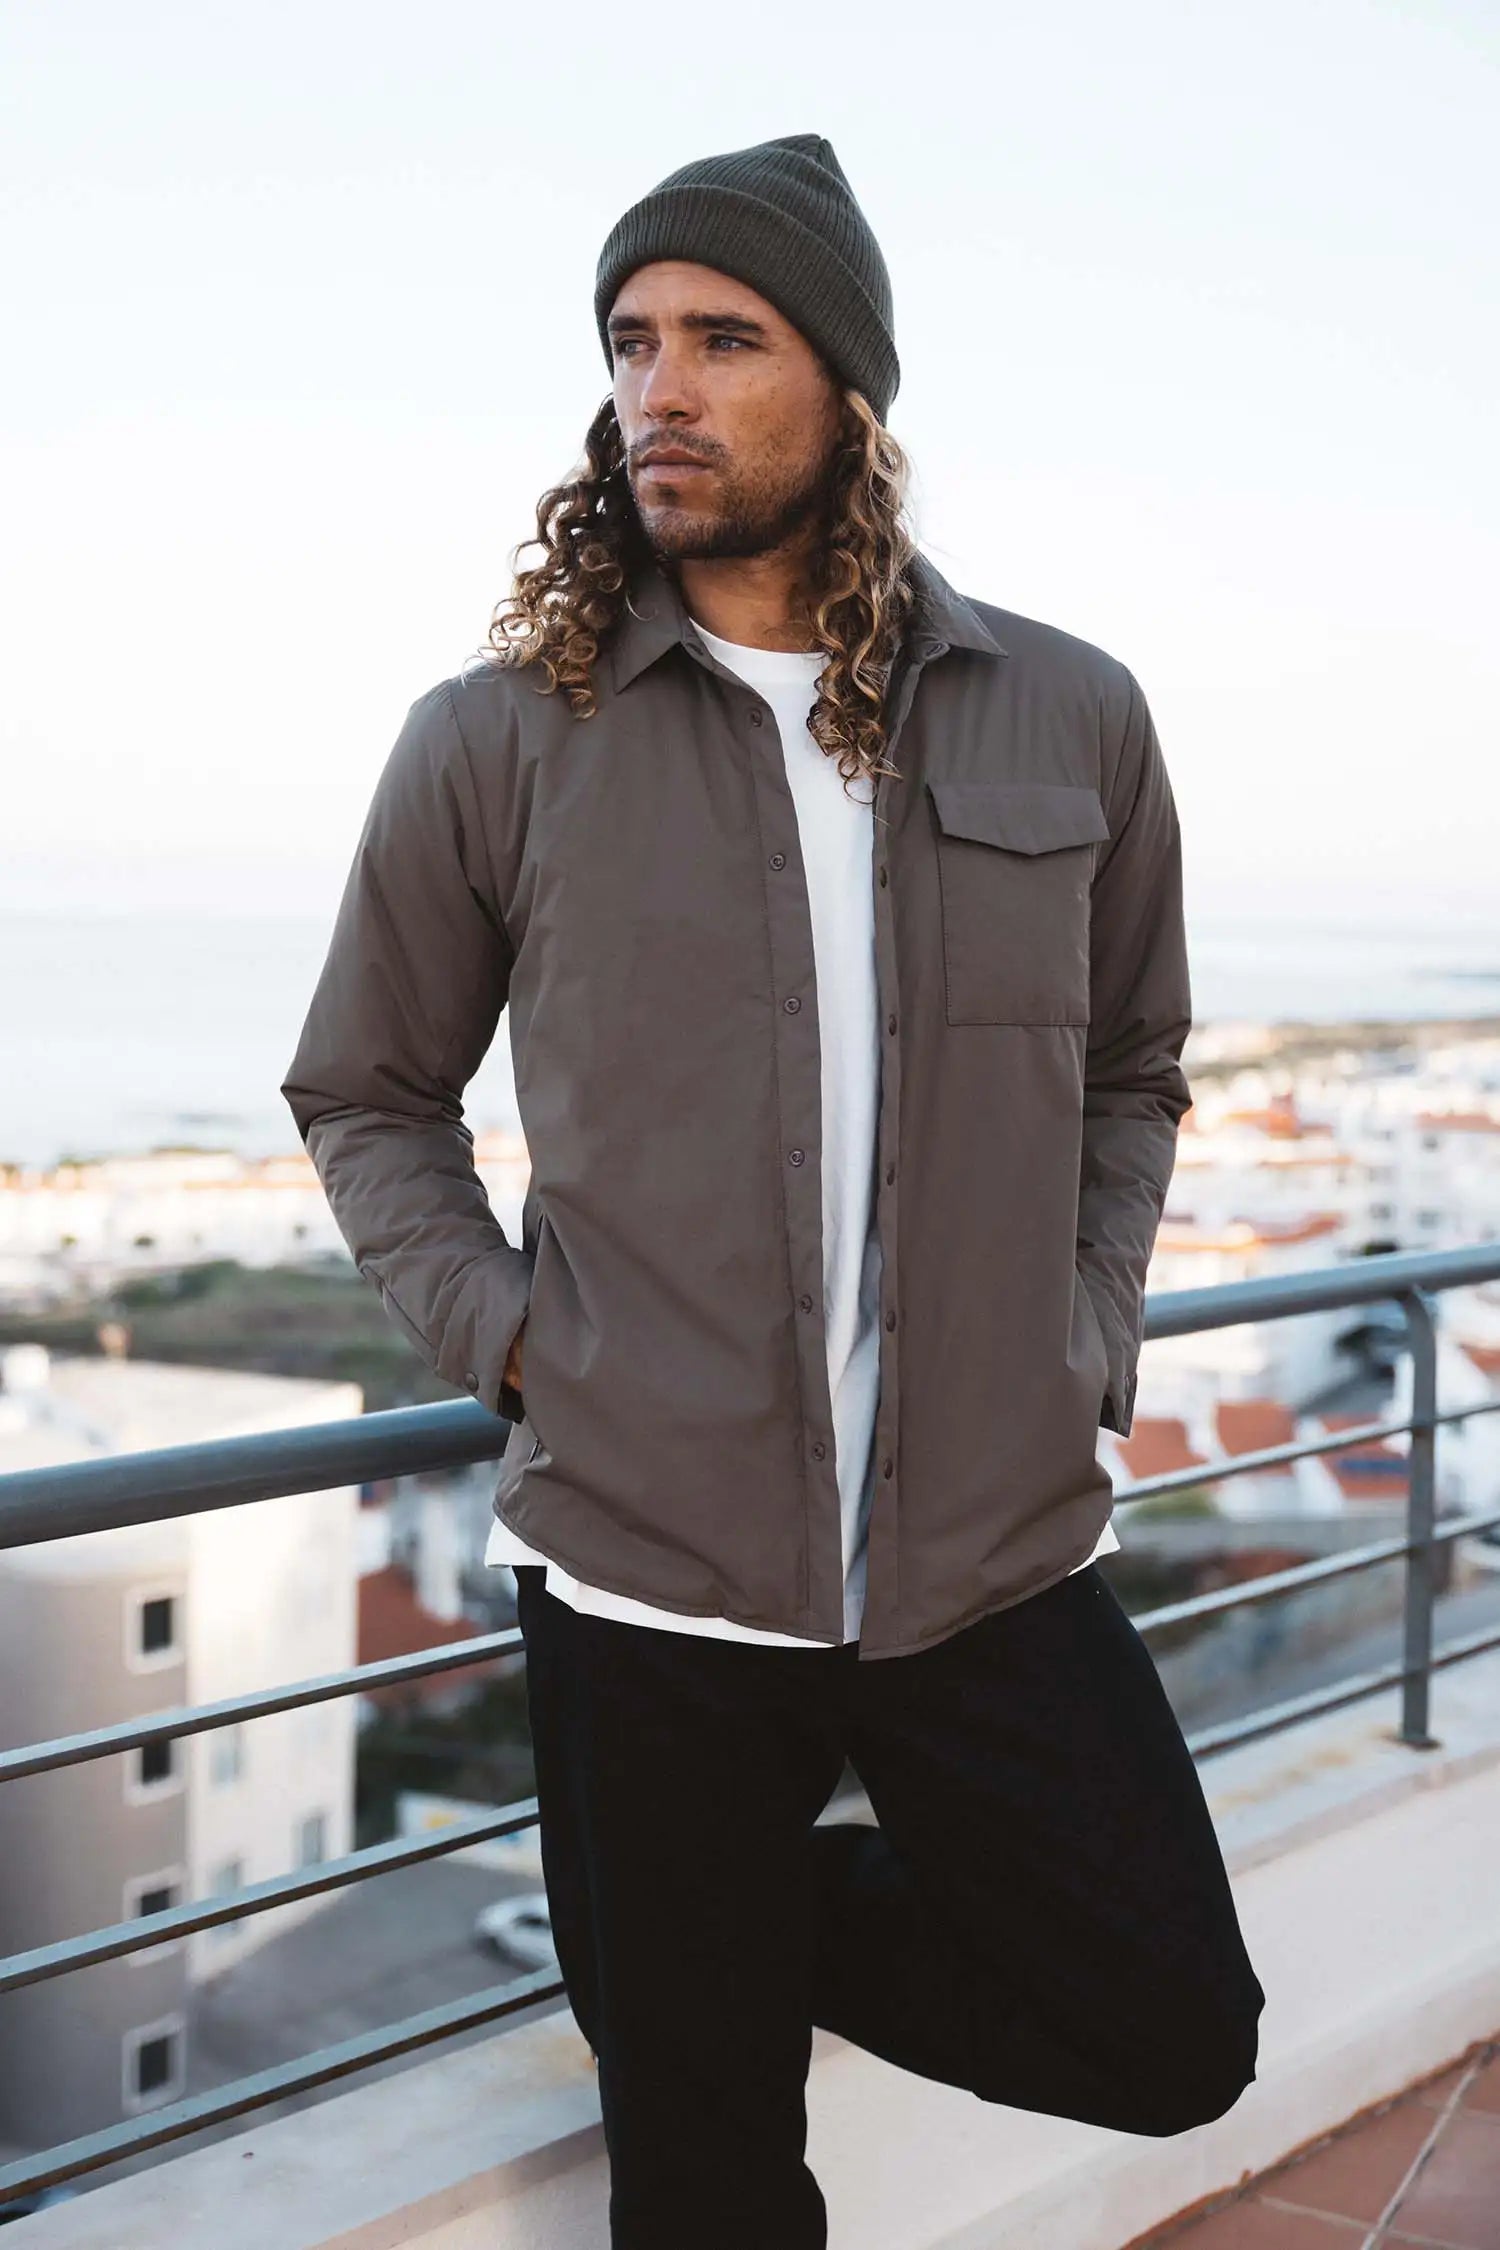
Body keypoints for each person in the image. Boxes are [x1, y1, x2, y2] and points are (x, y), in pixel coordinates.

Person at [283, 131, 1266, 2250]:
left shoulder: (1071, 718)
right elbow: (366, 1092)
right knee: (710, 2189)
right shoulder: (496, 741)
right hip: (648, 1585)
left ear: (848, 386)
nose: (664, 389)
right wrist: (524, 1341)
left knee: (1172, 2025)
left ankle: (693, 1943)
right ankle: (672, 1964)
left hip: (990, 1555)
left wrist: (1085, 1328)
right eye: (633, 342)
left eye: (725, 340)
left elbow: (1132, 1067)